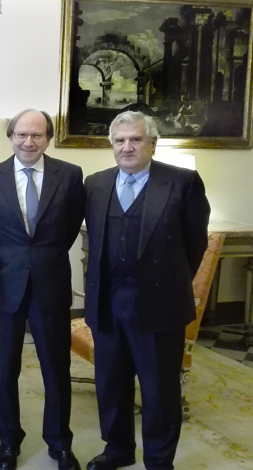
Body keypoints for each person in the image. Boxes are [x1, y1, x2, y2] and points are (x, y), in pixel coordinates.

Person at [83, 111, 210, 470]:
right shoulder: (95, 184)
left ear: (152, 143)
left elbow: (194, 244)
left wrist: (170, 284)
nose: (127, 147)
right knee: (111, 384)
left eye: (136, 139)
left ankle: (158, 460)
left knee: (159, 391)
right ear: (111, 145)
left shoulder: (182, 182)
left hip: (158, 305)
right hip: (107, 302)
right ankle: (118, 449)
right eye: (120, 141)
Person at [0, 109, 85, 470]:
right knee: (5, 370)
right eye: (21, 134)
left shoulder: (69, 175)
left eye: (37, 135)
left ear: (48, 138)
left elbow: (68, 228)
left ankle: (59, 442)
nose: (28, 141)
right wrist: (13, 261)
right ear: (10, 137)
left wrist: (41, 258)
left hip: (51, 284)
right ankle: (9, 442)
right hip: (6, 285)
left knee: (56, 367)